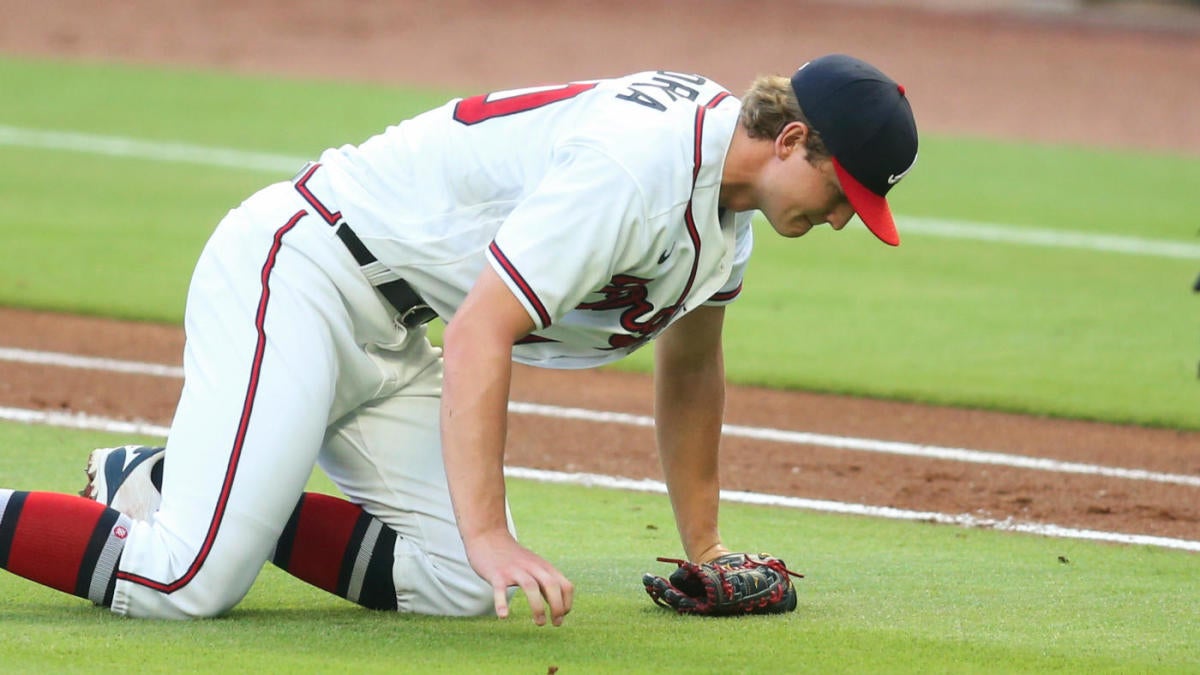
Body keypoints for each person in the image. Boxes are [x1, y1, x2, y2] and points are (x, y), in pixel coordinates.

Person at [0, 54, 917, 626]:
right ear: (793, 137)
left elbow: (692, 371)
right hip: (304, 273)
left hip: (389, 331)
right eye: (846, 195)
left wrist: (705, 545)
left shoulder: (731, 212)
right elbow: (484, 329)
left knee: (465, 585)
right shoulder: (636, 170)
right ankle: (203, 503)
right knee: (185, 581)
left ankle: (170, 482)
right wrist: (487, 526)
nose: (845, 219)